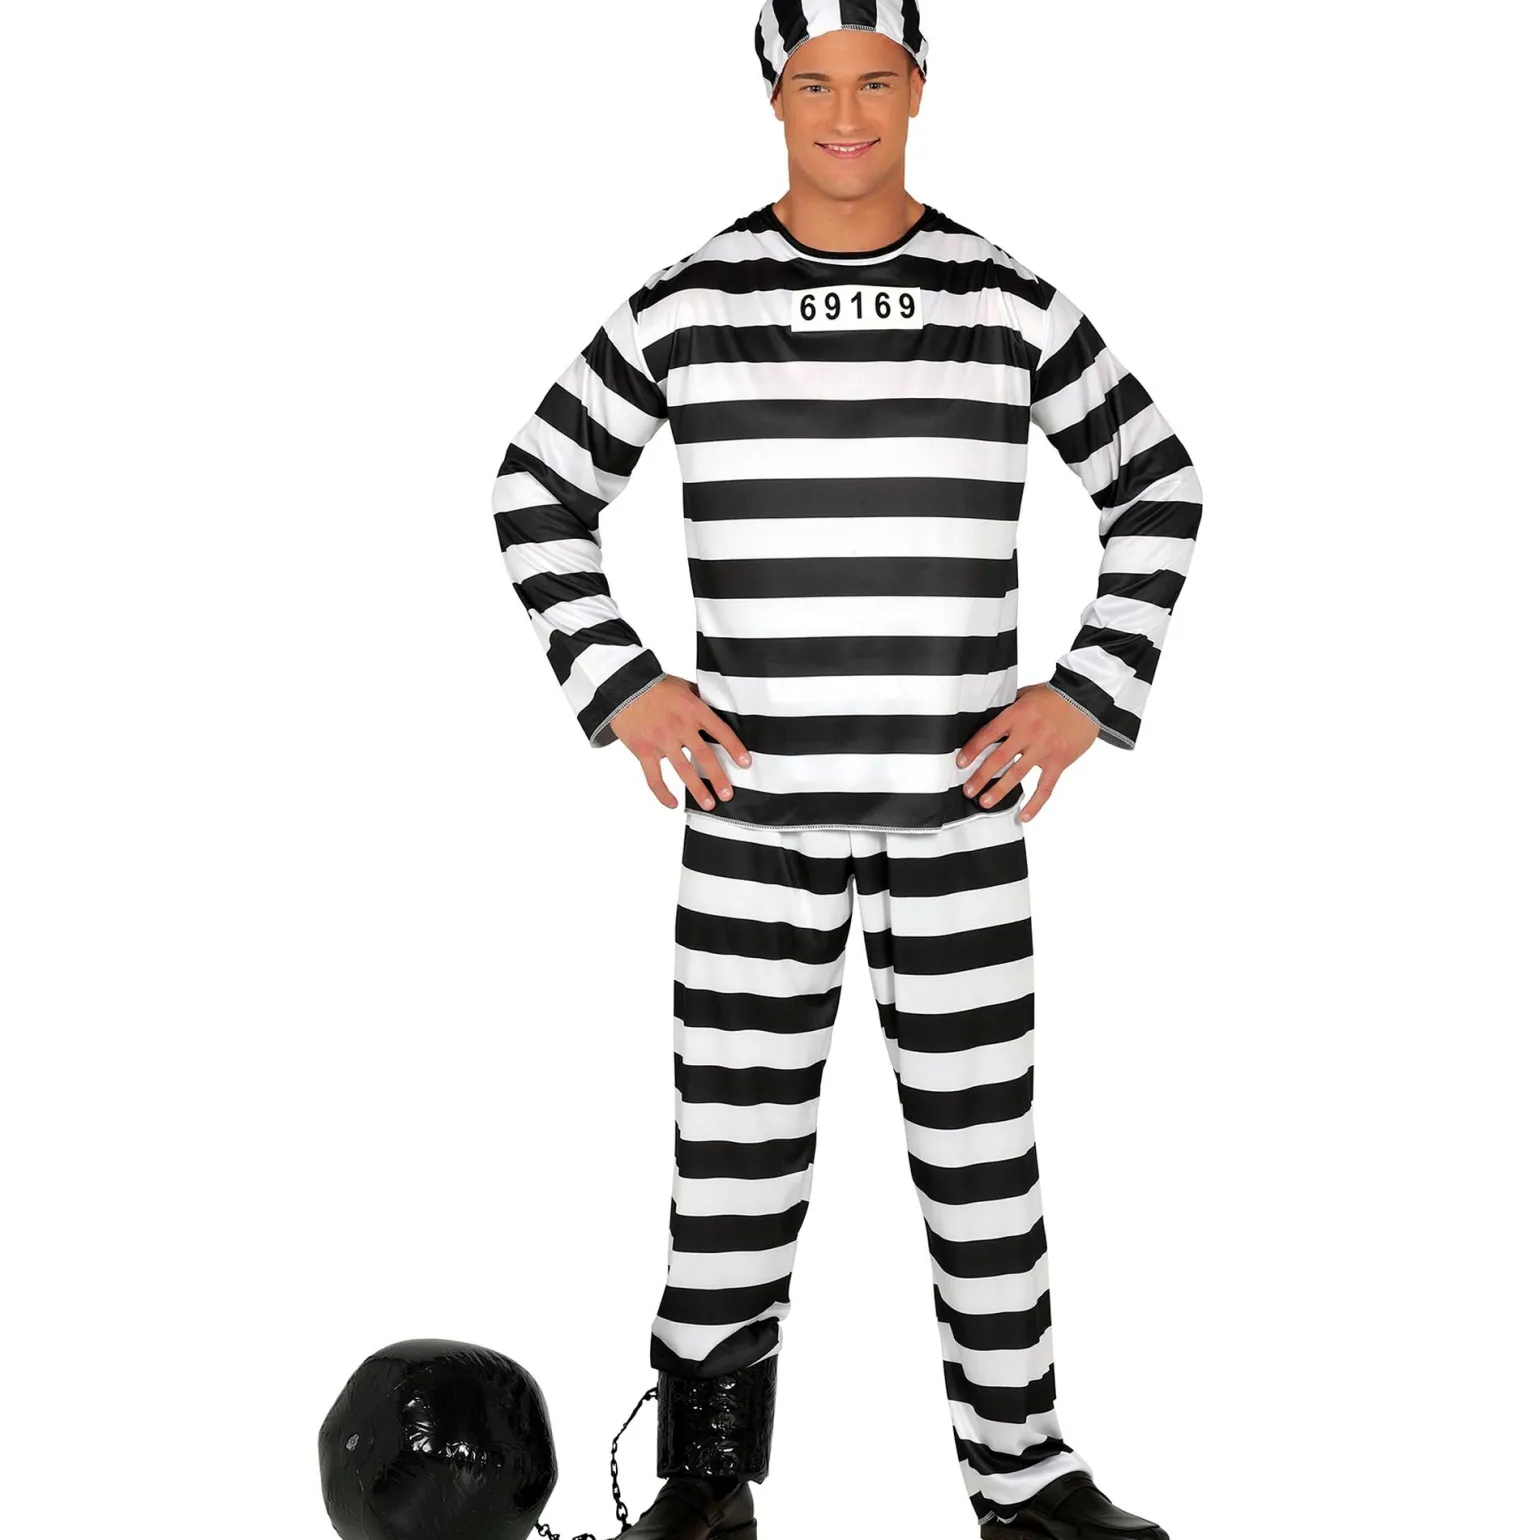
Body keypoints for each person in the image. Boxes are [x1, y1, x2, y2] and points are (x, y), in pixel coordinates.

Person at [491, 6, 1202, 1537]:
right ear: (773, 94)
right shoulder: (689, 301)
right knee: (730, 1168)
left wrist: (1087, 691)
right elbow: (536, 486)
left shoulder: (1004, 298)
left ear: (921, 87)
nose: (846, 112)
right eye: (814, 81)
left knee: (983, 1162)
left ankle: (1024, 1478)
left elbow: (1158, 481)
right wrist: (625, 686)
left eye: (877, 79)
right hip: (751, 821)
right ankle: (704, 1486)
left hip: (960, 819)